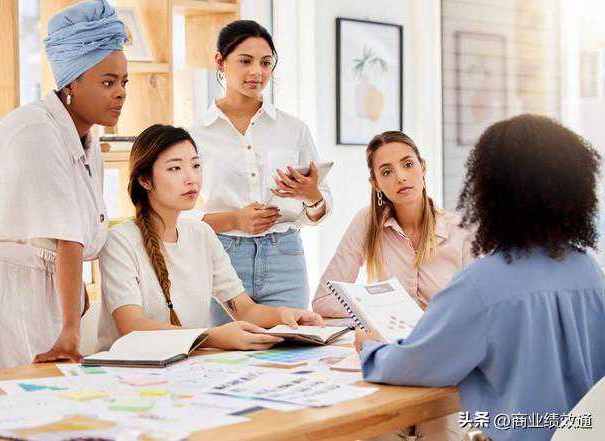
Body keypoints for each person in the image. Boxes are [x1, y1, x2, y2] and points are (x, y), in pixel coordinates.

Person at [355, 114, 605, 441]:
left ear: (489, 193)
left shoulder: (482, 284)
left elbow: (417, 363)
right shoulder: (589, 271)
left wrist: (371, 348)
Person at [0, 0, 128, 374]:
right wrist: (70, 332)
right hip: (0, 291)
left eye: (124, 82)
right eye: (107, 82)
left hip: (39, 293)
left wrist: (74, 308)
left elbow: (76, 233)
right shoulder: (36, 132)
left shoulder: (86, 139)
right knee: (6, 389)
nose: (120, 93)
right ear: (72, 82)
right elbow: (66, 238)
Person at [97, 125, 324, 351]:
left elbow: (245, 311)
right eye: (175, 168)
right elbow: (132, 326)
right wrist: (212, 337)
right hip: (128, 366)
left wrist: (285, 315)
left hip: (186, 365)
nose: (191, 178)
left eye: (196, 165)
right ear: (145, 180)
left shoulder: (202, 234)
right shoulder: (120, 241)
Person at [312, 131, 472, 440]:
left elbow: (481, 311)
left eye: (407, 164)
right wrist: (372, 314)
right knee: (378, 435)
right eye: (386, 171)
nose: (400, 177)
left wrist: (419, 316)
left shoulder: (460, 231)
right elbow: (323, 299)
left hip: (444, 366)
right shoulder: (366, 222)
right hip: (390, 364)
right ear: (375, 183)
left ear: (423, 167)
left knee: (440, 434)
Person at [187, 20, 332, 326]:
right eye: (245, 61)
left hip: (285, 257)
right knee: (223, 351)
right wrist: (235, 219)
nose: (257, 72)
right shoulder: (194, 135)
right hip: (222, 257)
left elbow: (318, 212)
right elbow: (179, 217)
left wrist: (312, 196)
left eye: (266, 63)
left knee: (292, 348)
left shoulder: (293, 129)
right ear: (220, 62)